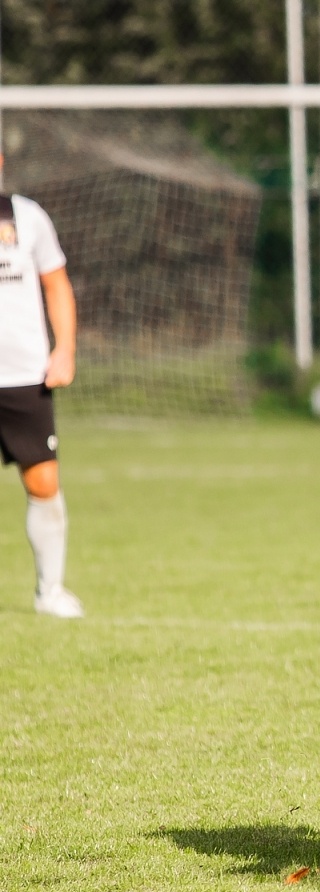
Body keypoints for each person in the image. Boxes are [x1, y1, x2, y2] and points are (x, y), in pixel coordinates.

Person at [0, 174, 82, 618]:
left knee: (43, 483)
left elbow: (56, 285)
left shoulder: (28, 216)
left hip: (24, 376)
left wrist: (65, 348)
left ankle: (49, 591)